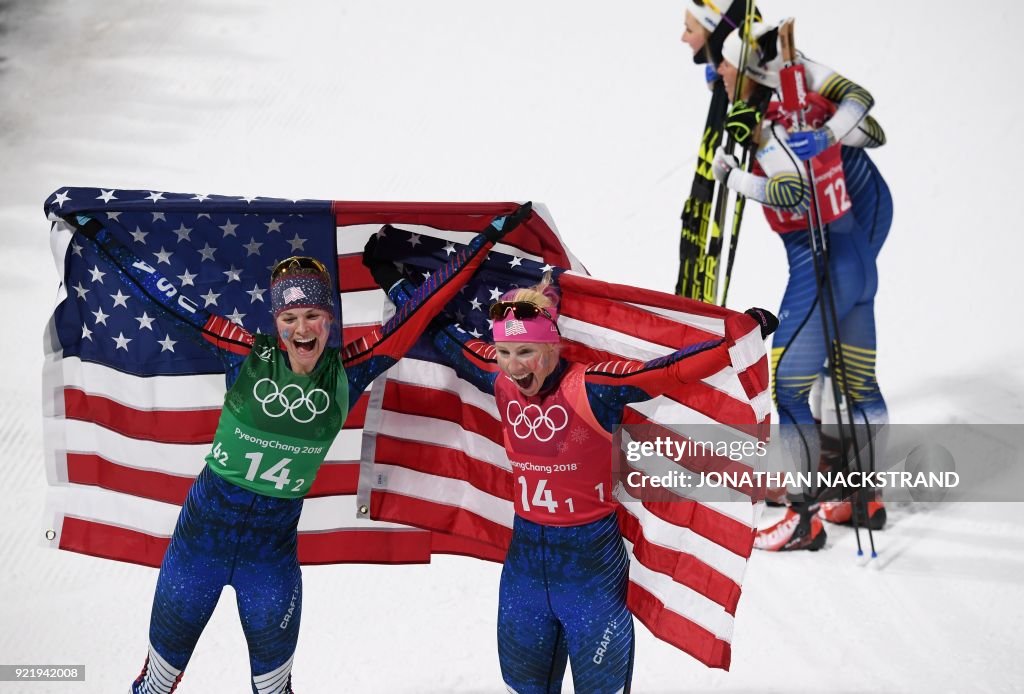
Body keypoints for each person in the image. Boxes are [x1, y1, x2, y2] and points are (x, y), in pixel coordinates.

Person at [65, 204, 531, 693]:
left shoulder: (351, 371)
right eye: (290, 317)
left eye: (313, 315)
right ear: (277, 320)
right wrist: (94, 230)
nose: (303, 330)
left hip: (269, 562)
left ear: (329, 320)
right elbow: (162, 296)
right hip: (196, 551)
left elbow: (425, 306)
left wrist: (489, 238)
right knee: (154, 688)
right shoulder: (244, 353)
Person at [363, 253, 777, 692]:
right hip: (523, 579)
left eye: (526, 351)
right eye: (504, 351)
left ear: (552, 345)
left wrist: (736, 340)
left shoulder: (593, 388)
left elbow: (667, 372)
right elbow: (444, 334)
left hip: (592, 580)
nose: (515, 365)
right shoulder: (498, 379)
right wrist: (392, 282)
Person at [708, 21, 893, 550]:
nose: (718, 72)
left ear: (752, 72)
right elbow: (872, 132)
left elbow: (788, 192)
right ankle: (863, 496)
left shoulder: (775, 125)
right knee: (859, 382)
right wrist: (830, 131)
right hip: (858, 261)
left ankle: (801, 515)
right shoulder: (812, 109)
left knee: (786, 388)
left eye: (725, 64)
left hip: (819, 272)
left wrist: (733, 177)